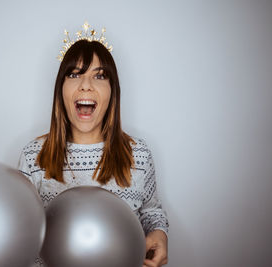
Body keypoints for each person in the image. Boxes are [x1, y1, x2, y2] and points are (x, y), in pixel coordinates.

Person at [18, 25, 169, 267]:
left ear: (112, 92)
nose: (86, 85)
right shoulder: (33, 156)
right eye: (74, 74)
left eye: (99, 76)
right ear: (60, 90)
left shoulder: (138, 155)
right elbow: (22, 233)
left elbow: (152, 212)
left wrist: (160, 233)